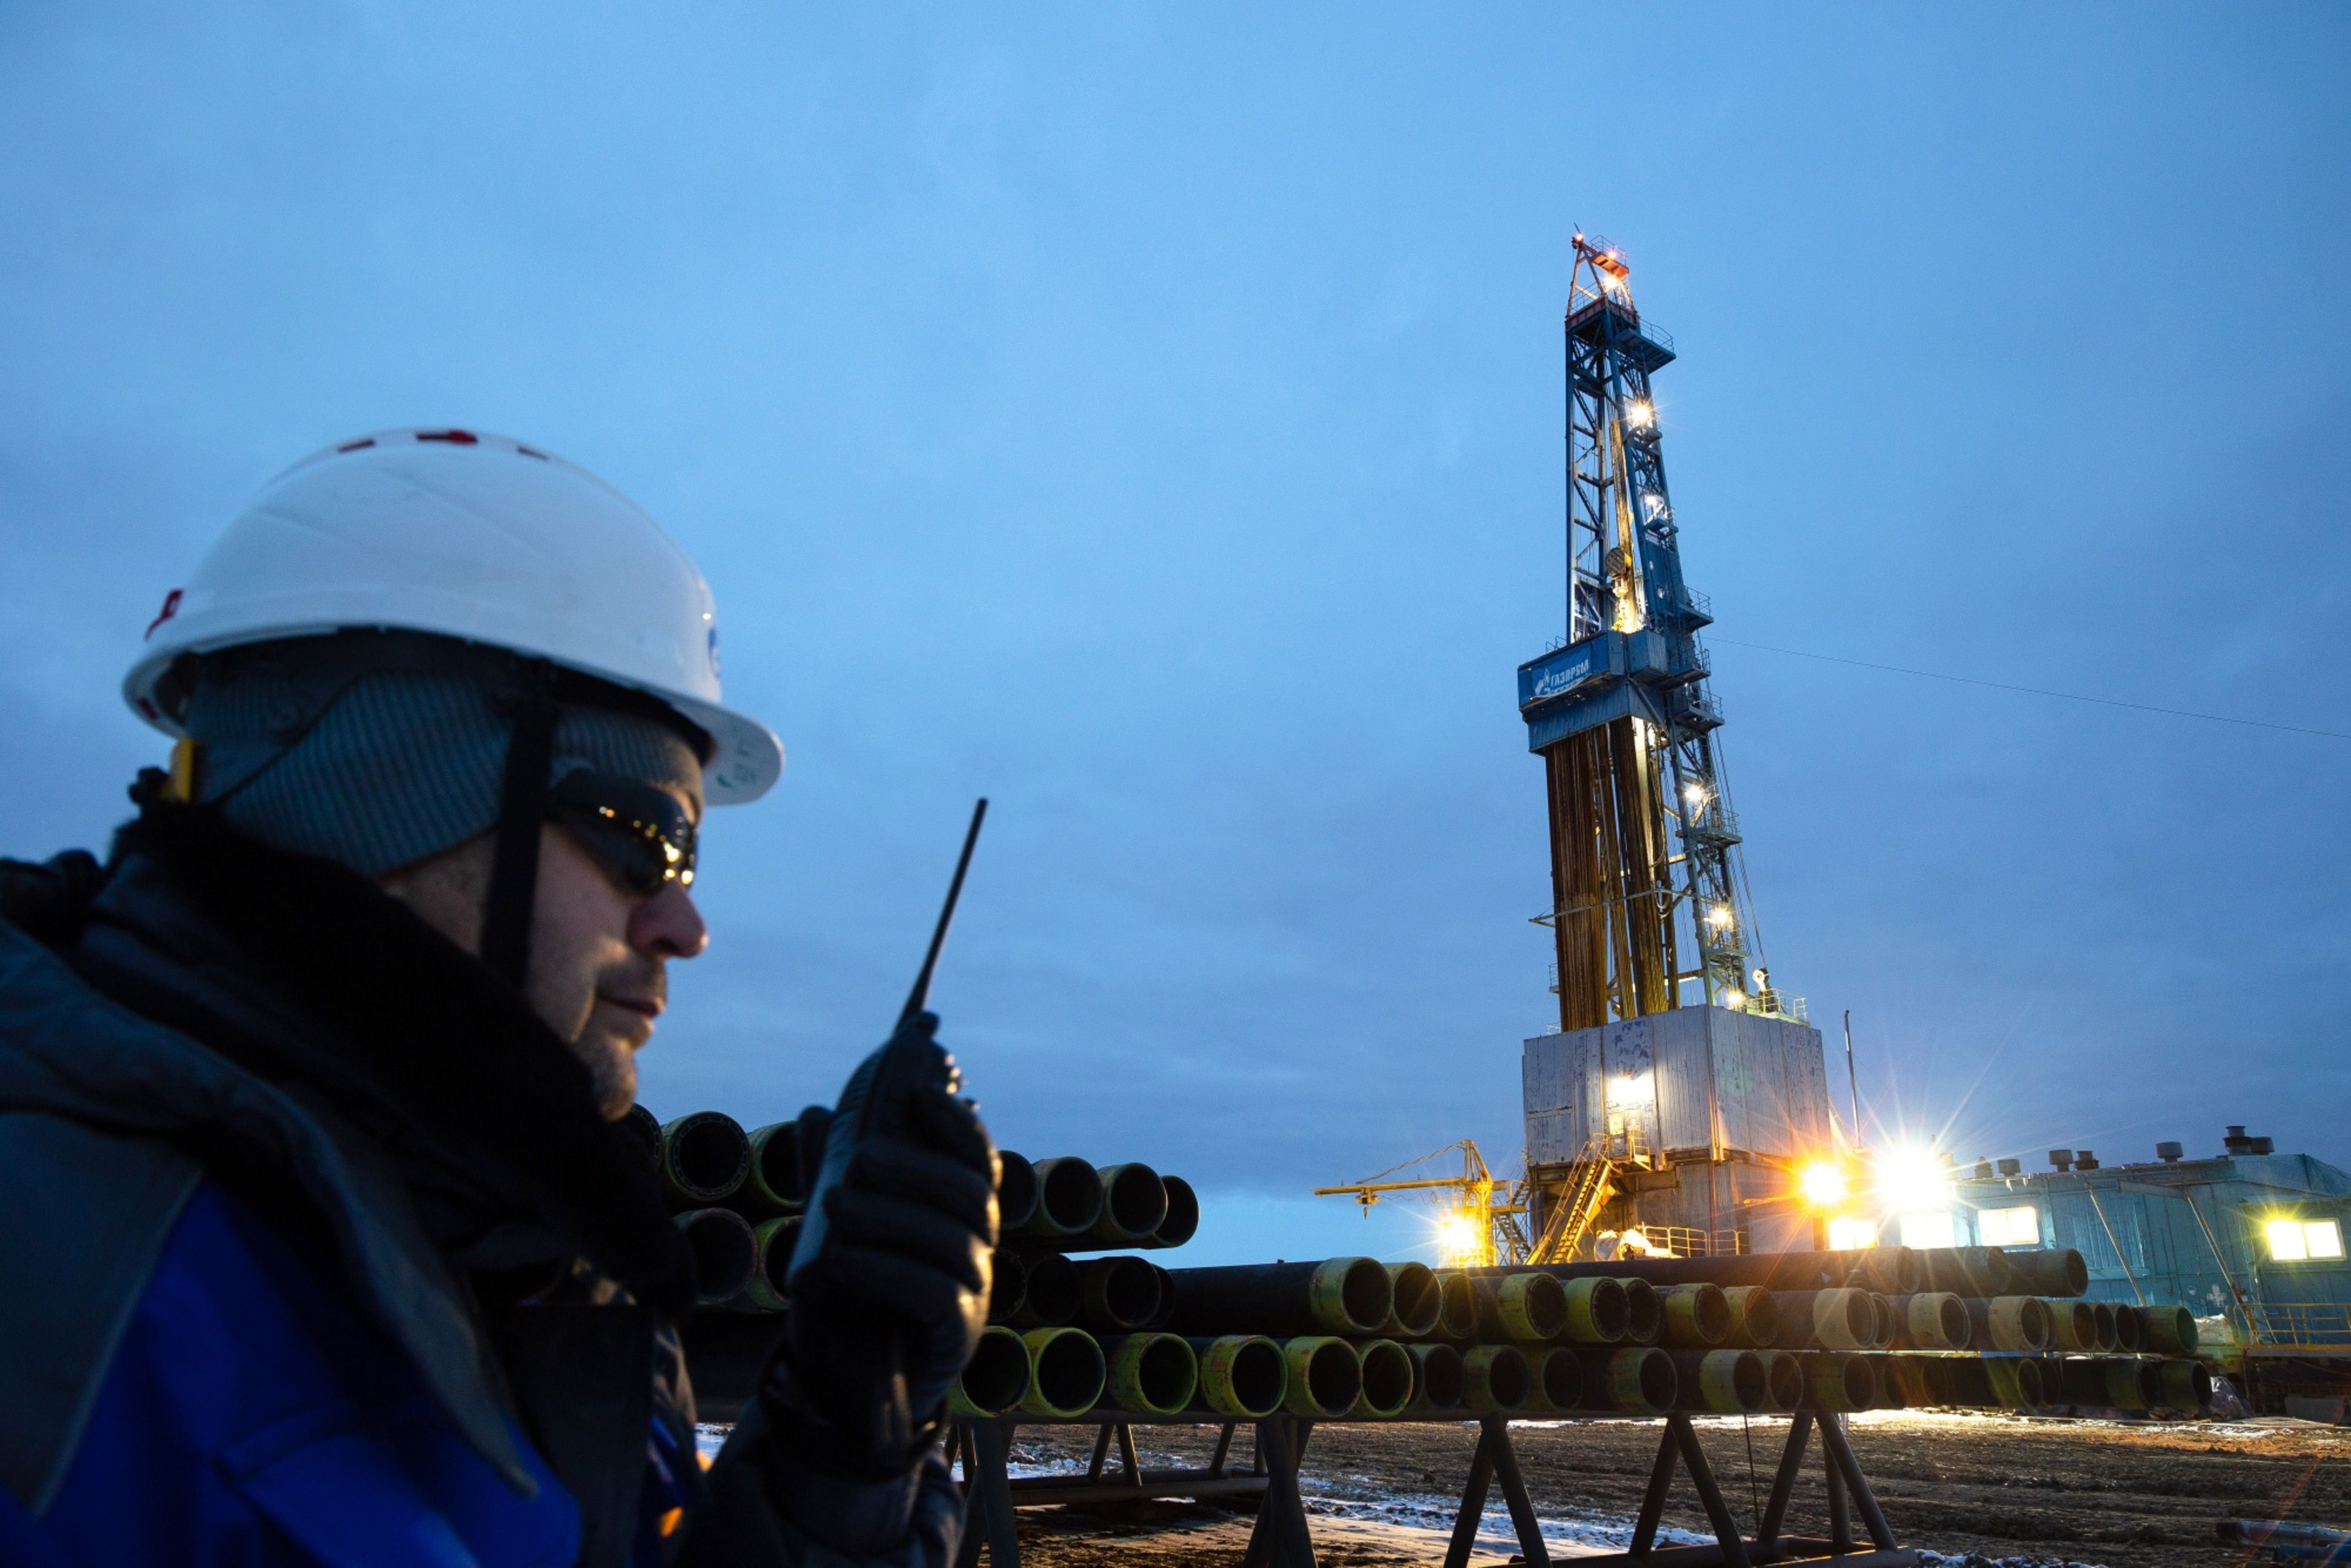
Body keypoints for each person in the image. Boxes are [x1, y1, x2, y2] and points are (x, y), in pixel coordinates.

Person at [0, 429, 997, 1566]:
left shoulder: (534, 1269)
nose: (686, 925)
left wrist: (841, 1451)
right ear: (379, 799)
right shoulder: (58, 1295)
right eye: (647, 839)